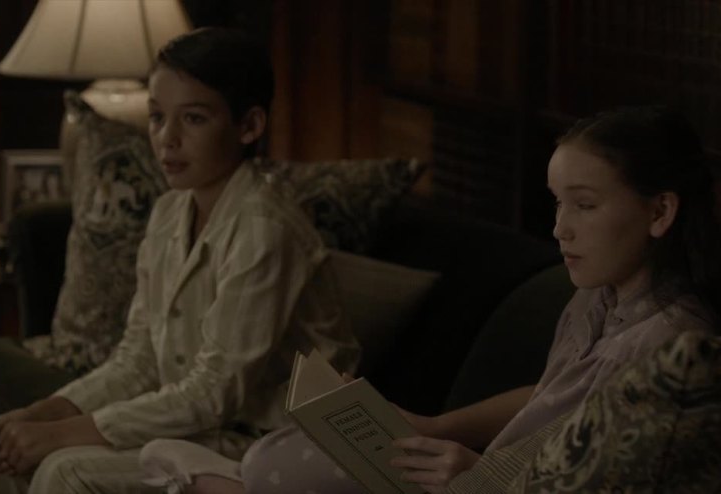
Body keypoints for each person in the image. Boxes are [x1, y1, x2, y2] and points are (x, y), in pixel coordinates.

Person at [237, 105, 721, 493]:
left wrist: (483, 476)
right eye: (558, 202)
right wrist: (437, 427)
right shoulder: (593, 297)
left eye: (585, 205)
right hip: (475, 475)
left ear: (659, 211)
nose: (560, 228)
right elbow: (549, 396)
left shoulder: (672, 349)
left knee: (268, 470)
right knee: (273, 453)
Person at [0, 27, 360, 493]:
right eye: (157, 117)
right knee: (10, 460)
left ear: (249, 126)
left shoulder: (265, 229)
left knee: (64, 469)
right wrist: (45, 414)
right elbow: (140, 360)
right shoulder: (169, 212)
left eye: (193, 119)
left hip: (269, 445)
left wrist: (63, 436)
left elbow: (215, 391)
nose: (167, 138)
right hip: (202, 427)